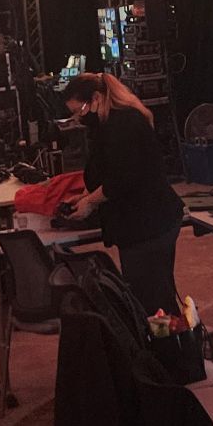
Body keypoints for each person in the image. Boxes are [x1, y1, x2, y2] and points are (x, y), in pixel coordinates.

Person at [63, 71, 183, 315]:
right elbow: (105, 170)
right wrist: (85, 195)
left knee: (154, 303)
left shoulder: (124, 124)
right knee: (149, 297)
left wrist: (90, 202)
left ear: (96, 98)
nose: (78, 118)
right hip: (137, 225)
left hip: (149, 224)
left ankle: (174, 339)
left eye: (80, 110)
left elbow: (122, 177)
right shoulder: (107, 124)